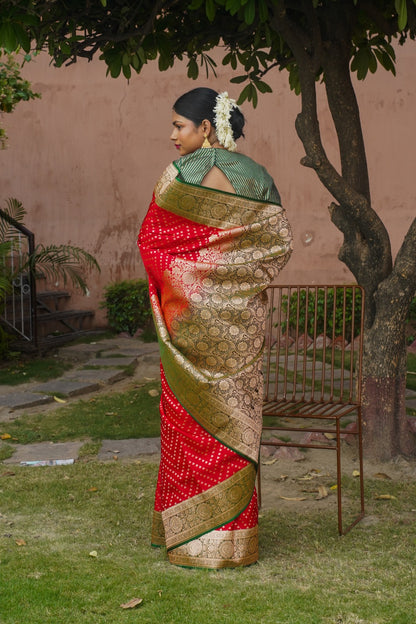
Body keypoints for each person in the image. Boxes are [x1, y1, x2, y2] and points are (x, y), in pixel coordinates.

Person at [138, 87, 292, 569]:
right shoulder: (258, 178)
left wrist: (193, 284)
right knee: (236, 424)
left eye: (179, 125)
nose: (172, 136)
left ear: (206, 128)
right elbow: (278, 245)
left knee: (188, 423)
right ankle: (232, 537)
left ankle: (188, 536)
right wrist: (230, 287)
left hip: (190, 324)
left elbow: (152, 241)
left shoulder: (182, 175)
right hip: (240, 326)